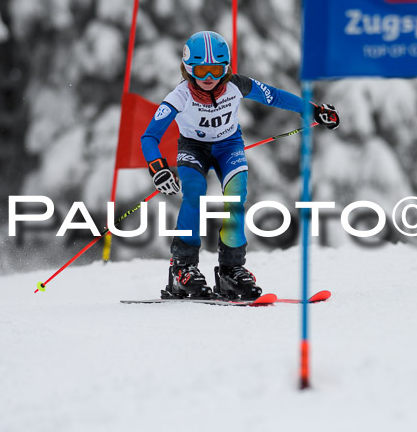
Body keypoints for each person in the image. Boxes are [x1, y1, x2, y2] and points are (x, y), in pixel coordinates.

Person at [141, 31, 340, 300]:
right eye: (201, 70)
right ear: (188, 69)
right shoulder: (180, 95)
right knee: (194, 195)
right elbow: (150, 136)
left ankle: (231, 271)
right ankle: (182, 269)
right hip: (193, 149)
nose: (209, 77)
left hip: (228, 147)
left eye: (216, 69)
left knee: (236, 199)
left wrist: (314, 110)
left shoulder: (237, 85)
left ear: (227, 67)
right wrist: (158, 168)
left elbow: (277, 97)